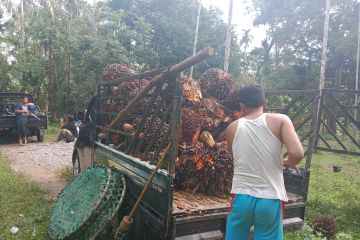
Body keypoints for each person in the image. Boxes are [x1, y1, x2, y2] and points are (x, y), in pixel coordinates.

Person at [225, 84, 304, 240]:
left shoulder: (232, 128)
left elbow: (237, 158)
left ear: (242, 105)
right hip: (270, 197)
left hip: (241, 196)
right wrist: (287, 161)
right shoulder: (281, 120)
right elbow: (297, 153)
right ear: (264, 102)